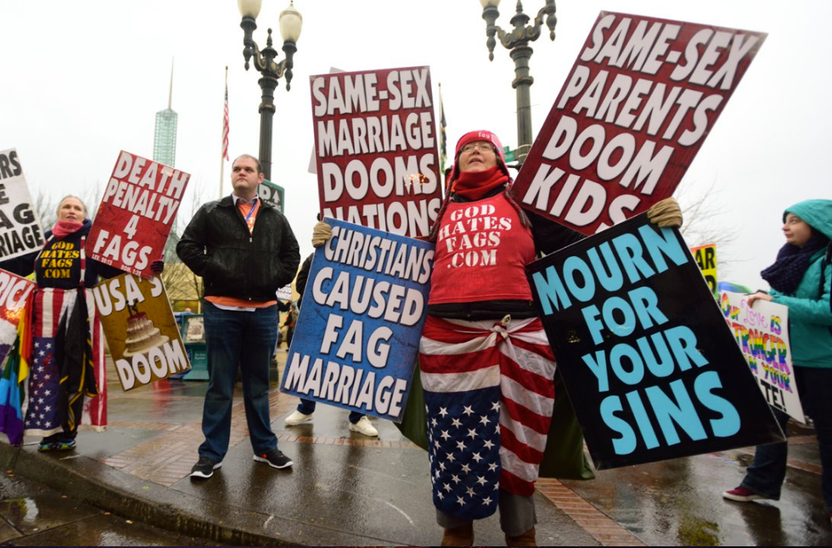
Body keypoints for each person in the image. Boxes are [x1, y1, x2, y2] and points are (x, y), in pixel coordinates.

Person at [415, 130, 682, 547]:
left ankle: (521, 533)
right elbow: (387, 254)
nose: (475, 150)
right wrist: (334, 244)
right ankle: (456, 531)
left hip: (521, 337)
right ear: (454, 164)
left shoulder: (525, 204)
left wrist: (648, 224)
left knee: (521, 443)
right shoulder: (432, 211)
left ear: (501, 161)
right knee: (454, 439)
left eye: (484, 146)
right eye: (466, 147)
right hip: (447, 341)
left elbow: (587, 244)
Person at [0, 195, 148, 451]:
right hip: (43, 317)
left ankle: (68, 431)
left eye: (77, 207)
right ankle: (48, 432)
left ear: (84, 215)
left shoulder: (96, 242)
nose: (72, 210)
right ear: (59, 213)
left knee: (76, 372)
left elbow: (118, 269)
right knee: (43, 373)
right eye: (66, 206)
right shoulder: (42, 241)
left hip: (80, 316)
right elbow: (11, 265)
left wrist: (149, 265)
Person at [177, 154, 300, 479]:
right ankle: (210, 455)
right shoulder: (211, 212)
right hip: (221, 311)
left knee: (258, 385)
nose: (241, 172)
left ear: (260, 178)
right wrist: (214, 269)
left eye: (248, 169)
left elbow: (292, 255)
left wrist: (273, 278)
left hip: (262, 313)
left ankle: (265, 448)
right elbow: (186, 246)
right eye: (236, 169)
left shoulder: (275, 218)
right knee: (220, 385)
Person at [722, 199, 832, 523]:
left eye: (795, 220)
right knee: (770, 423)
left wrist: (776, 301)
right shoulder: (788, 260)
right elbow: (781, 302)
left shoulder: (827, 259)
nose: (786, 226)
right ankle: (759, 483)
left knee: (828, 433)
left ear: (819, 224)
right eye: (785, 220)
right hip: (783, 360)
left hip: (823, 363)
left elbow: (827, 310)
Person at [282, 252, 379, 437]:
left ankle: (358, 417)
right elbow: (301, 284)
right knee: (310, 362)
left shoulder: (362, 257)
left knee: (354, 365)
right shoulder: (315, 256)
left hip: (350, 318)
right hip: (318, 315)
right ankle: (305, 408)